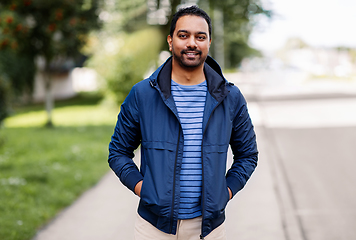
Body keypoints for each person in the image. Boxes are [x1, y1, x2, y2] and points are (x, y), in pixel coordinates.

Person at [108, 5, 258, 240]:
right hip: (152, 227)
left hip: (209, 228)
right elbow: (118, 152)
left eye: (200, 37)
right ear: (170, 41)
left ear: (209, 42)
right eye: (183, 35)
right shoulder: (143, 94)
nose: (192, 43)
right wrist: (143, 189)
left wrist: (225, 192)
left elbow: (248, 155)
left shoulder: (231, 97)